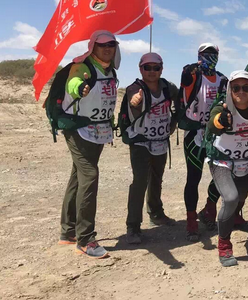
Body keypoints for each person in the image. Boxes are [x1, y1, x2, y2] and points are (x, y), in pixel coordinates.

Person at [58, 30, 119, 259]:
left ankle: (68, 231)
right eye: (102, 45)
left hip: (98, 131)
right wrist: (79, 88)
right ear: (93, 46)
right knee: (90, 175)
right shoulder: (83, 67)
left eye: (112, 44)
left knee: (79, 176)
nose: (107, 48)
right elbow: (74, 81)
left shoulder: (109, 70)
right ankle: (85, 239)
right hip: (79, 129)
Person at [203, 71, 248, 266]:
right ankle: (224, 244)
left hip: (244, 161)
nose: (241, 92)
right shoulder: (222, 106)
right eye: (236, 88)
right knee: (231, 198)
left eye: (246, 88)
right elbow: (213, 123)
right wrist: (221, 121)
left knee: (241, 196)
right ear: (229, 90)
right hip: (221, 160)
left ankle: (233, 218)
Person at [123, 53, 178, 245]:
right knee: (140, 182)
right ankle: (133, 226)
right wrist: (135, 101)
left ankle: (156, 213)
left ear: (162, 69)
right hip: (140, 142)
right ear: (141, 69)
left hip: (160, 141)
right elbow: (133, 101)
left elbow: (181, 102)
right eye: (148, 67)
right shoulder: (135, 88)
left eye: (156, 67)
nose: (152, 71)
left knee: (156, 179)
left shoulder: (168, 87)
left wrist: (174, 123)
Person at [179, 43, 227, 241]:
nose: (208, 57)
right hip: (195, 134)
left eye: (212, 53)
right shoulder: (193, 75)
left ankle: (209, 208)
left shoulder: (223, 79)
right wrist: (190, 68)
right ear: (198, 55)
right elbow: (185, 79)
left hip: (216, 133)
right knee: (194, 177)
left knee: (222, 175)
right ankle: (191, 221)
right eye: (204, 54)